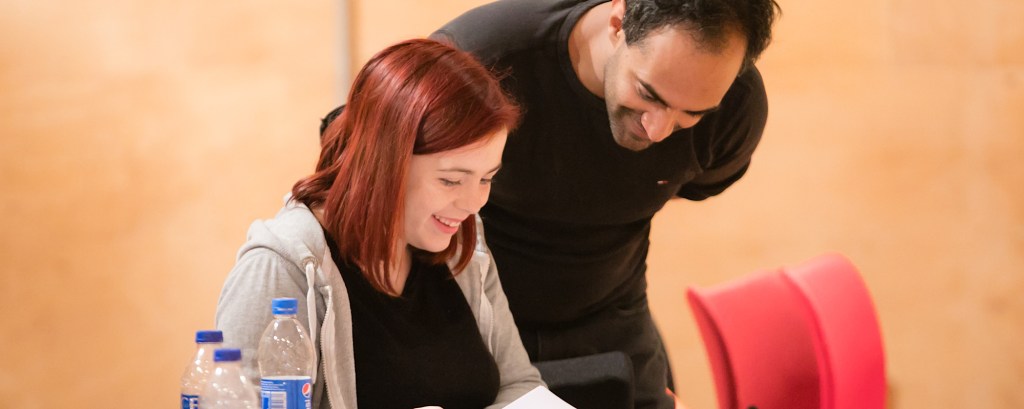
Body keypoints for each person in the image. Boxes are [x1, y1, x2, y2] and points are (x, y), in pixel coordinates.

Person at [323, 1, 782, 407]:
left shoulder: (735, 110)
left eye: (691, 114)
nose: (658, 129)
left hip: (612, 323)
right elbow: (361, 158)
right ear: (619, 23)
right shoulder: (489, 56)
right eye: (648, 94)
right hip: (472, 325)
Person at [216, 38, 545, 409]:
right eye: (451, 180)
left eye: (486, 179)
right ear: (383, 166)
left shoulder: (465, 246)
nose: (473, 203)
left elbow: (519, 383)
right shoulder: (281, 270)